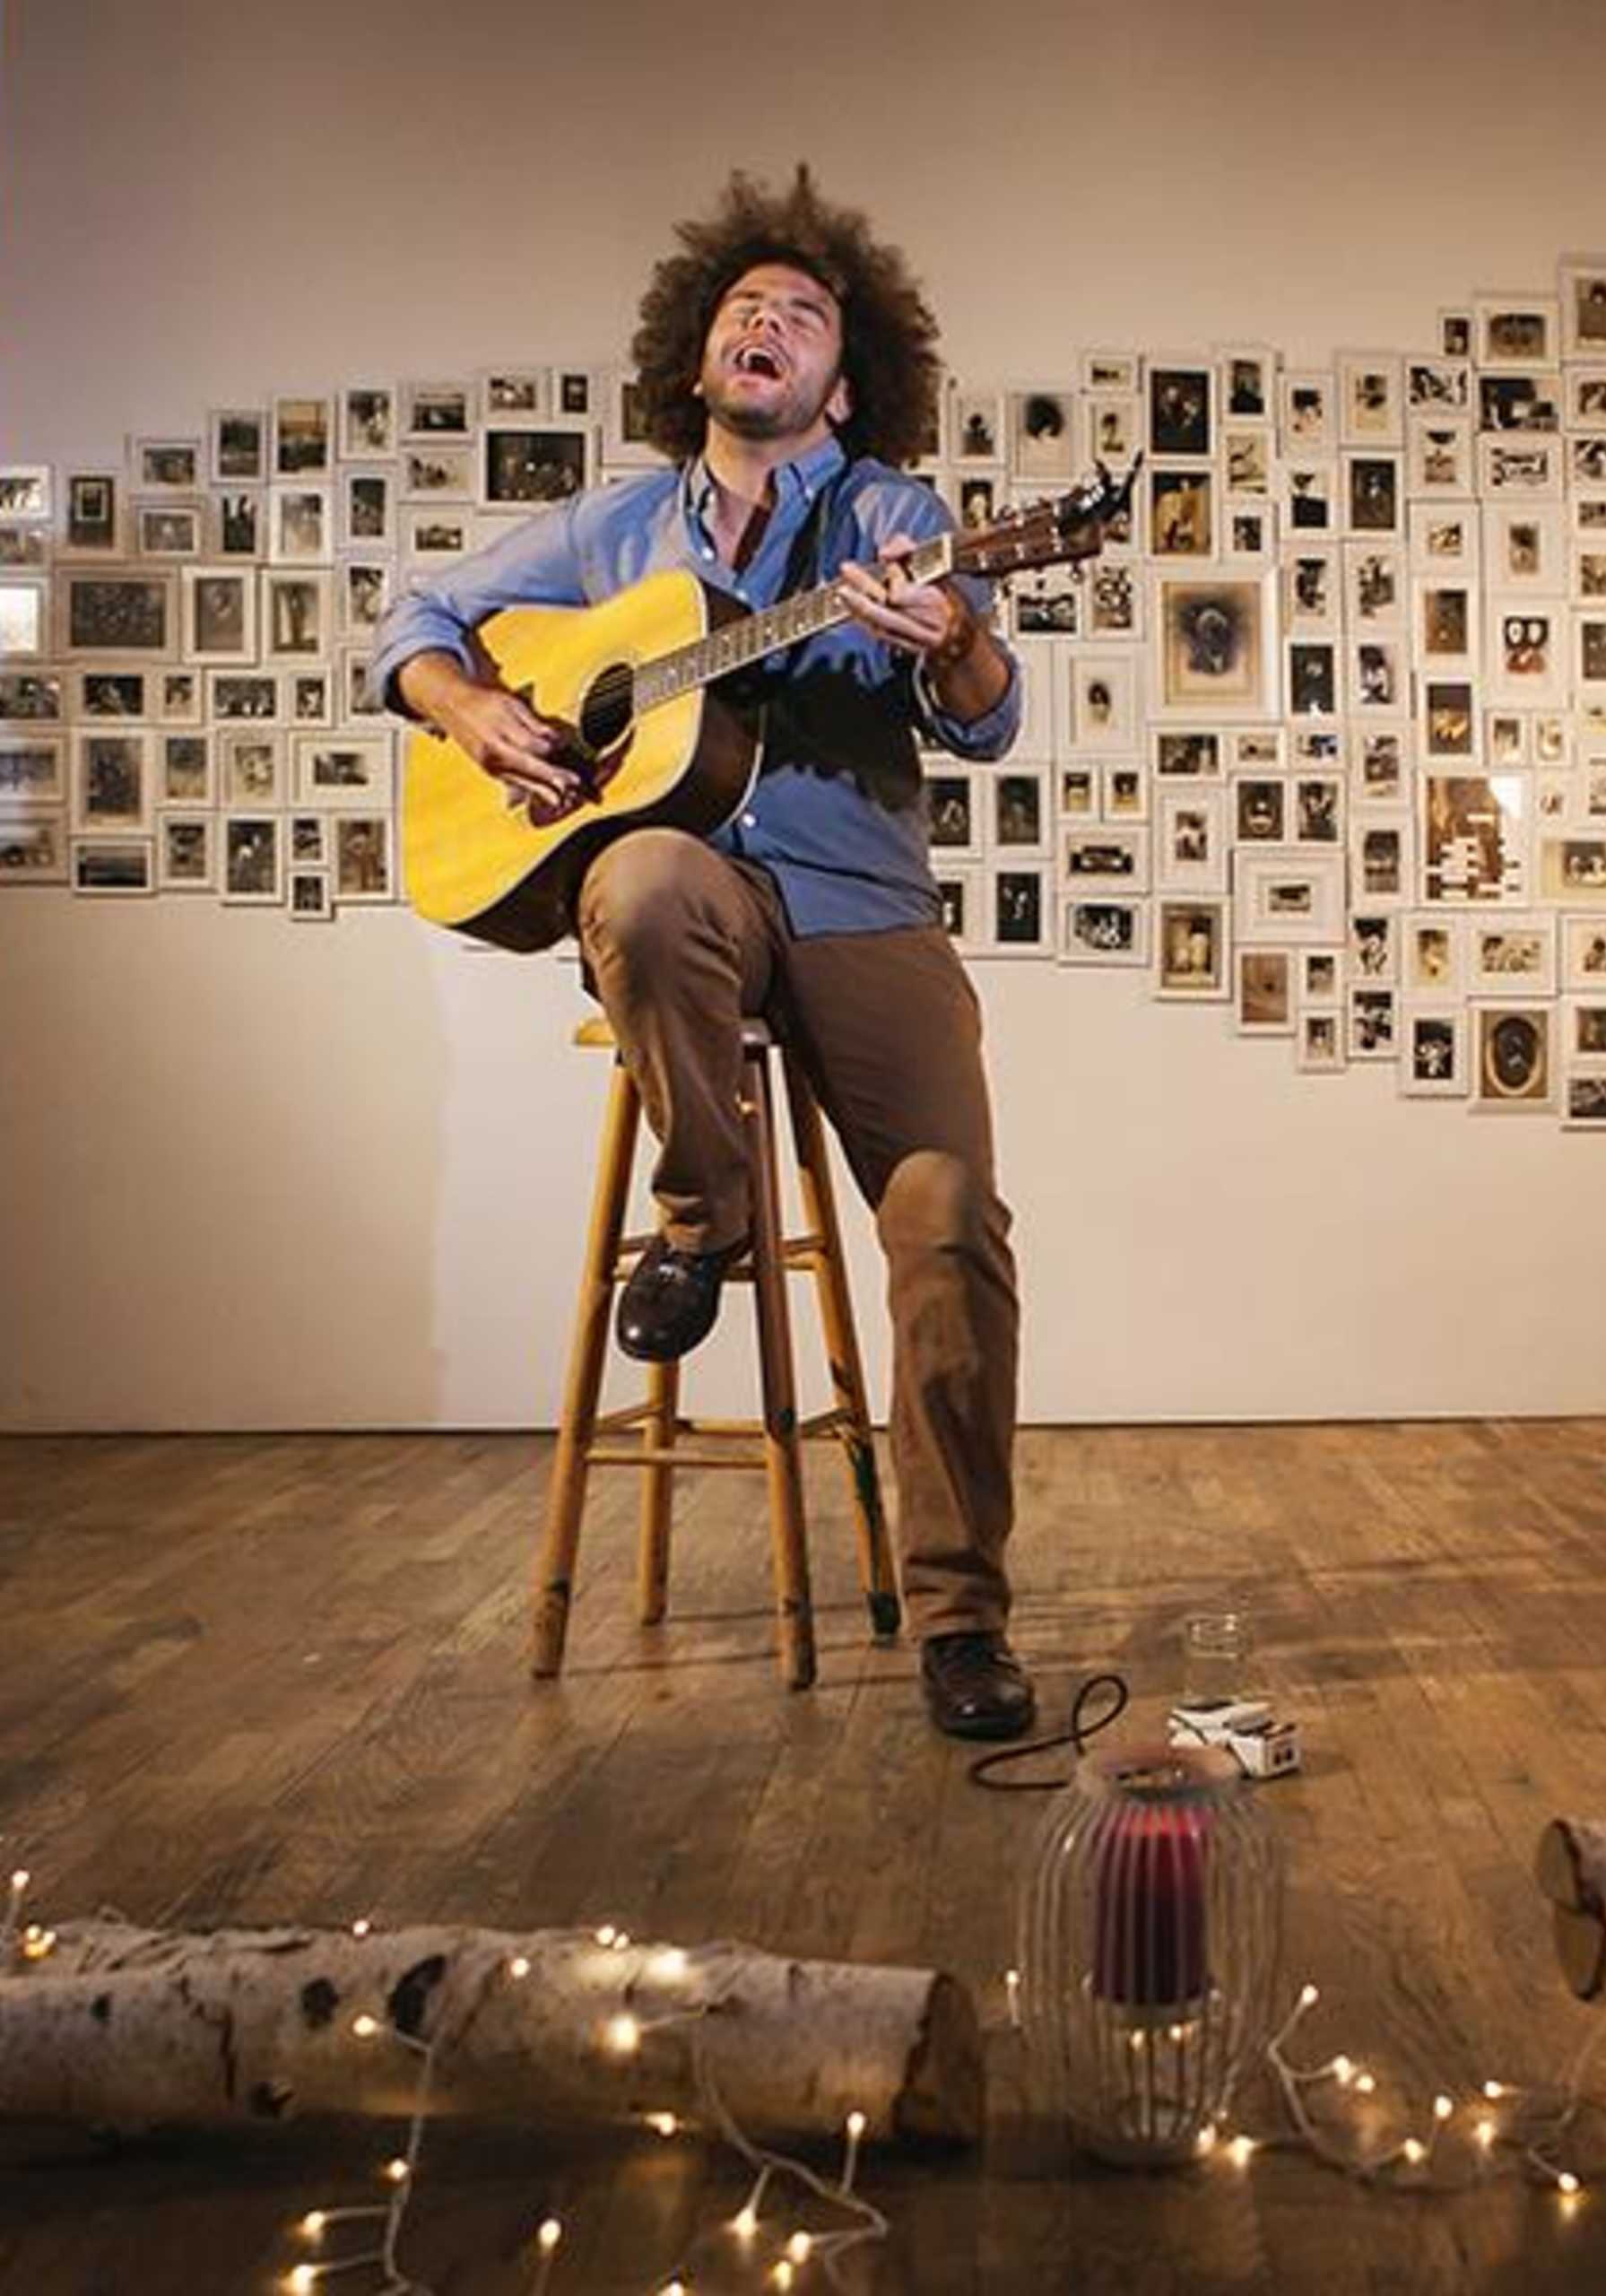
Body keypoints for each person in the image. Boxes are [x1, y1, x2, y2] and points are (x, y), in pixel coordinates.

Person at [369, 170, 1037, 1742]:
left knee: (946, 1219)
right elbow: (414, 615)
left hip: (865, 908)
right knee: (646, 874)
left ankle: (961, 1620)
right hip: (700, 913)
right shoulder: (617, 526)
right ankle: (705, 1221)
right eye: (744, 309)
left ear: (846, 381)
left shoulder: (894, 519)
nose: (769, 326)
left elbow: (992, 716)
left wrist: (954, 634)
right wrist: (469, 707)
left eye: (803, 316)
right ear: (697, 360)